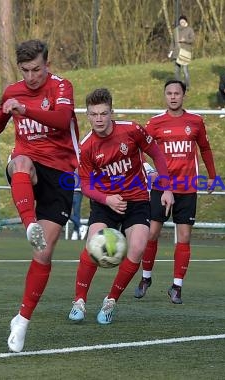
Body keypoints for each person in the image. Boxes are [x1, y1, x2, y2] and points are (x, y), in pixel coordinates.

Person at [0, 39, 80, 352]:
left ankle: (22, 320)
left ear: (48, 65)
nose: (31, 76)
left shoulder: (61, 87)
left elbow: (60, 120)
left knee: (43, 255)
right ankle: (29, 223)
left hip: (61, 174)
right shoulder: (12, 92)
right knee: (20, 162)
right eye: (26, 70)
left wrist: (26, 108)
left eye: (37, 69)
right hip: (29, 166)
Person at [67, 88, 174, 324]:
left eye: (103, 113)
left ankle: (110, 301)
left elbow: (156, 153)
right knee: (93, 245)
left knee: (137, 246)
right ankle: (79, 301)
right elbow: (84, 184)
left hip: (136, 200)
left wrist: (166, 188)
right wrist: (107, 199)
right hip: (105, 203)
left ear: (111, 112)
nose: (99, 119)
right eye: (94, 114)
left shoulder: (131, 130)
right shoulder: (86, 146)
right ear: (88, 115)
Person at [134, 79, 217, 304]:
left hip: (187, 189)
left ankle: (177, 286)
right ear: (165, 96)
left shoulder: (196, 122)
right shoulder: (155, 123)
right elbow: (138, 149)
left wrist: (212, 175)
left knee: (184, 237)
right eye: (169, 93)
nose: (173, 97)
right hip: (161, 188)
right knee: (151, 233)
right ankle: (146, 278)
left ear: (183, 96)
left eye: (177, 93)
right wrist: (149, 171)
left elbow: (206, 148)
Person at [169, 15, 194, 90]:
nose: (182, 22)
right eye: (181, 21)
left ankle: (188, 86)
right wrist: (170, 51)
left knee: (185, 71)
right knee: (176, 71)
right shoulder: (175, 30)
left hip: (185, 53)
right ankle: (179, 86)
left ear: (186, 22)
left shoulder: (189, 30)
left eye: (183, 21)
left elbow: (192, 40)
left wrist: (185, 40)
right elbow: (172, 42)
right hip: (176, 53)